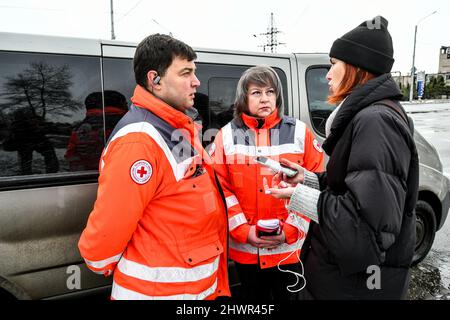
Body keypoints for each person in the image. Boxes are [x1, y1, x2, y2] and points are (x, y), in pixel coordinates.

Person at [265, 16, 419, 299]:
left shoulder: (376, 122)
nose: (327, 74)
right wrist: (310, 180)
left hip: (354, 287)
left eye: (334, 63)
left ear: (357, 69)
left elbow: (364, 232)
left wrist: (299, 196)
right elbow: (357, 191)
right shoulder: (370, 116)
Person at [78, 34, 230, 300]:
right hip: (159, 293)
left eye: (195, 72)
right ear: (155, 80)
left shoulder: (176, 127)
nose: (196, 81)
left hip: (191, 288)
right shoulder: (140, 140)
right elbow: (108, 229)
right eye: (186, 73)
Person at [211, 65, 324, 300]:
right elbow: (221, 190)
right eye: (256, 93)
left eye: (270, 92)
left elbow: (315, 186)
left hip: (290, 251)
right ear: (244, 97)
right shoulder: (226, 136)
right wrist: (243, 231)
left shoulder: (300, 132)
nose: (265, 99)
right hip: (246, 252)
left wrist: (290, 230)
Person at [65, 90, 128, 171]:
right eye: (126, 104)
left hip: (81, 178)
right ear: (121, 105)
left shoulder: (78, 129)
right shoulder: (127, 126)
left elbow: (71, 156)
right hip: (118, 176)